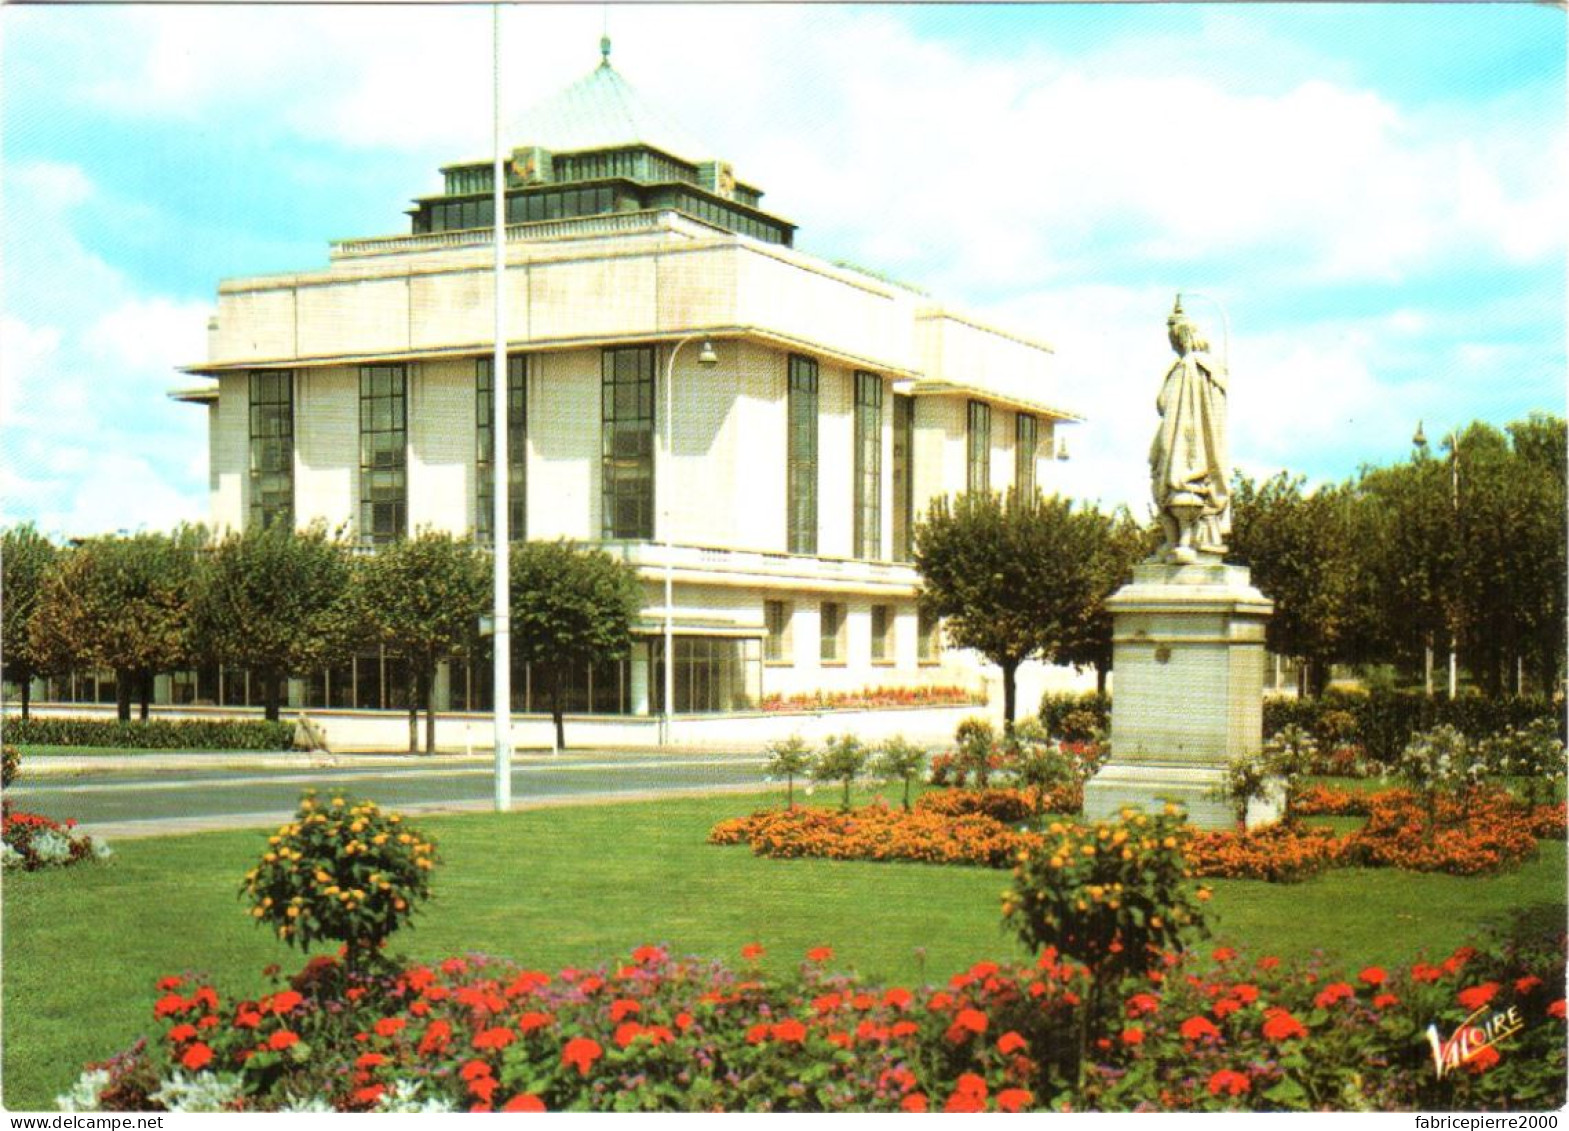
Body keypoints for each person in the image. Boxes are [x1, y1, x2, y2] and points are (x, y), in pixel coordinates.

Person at [1149, 297, 1229, 560]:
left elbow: (1167, 402)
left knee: (1177, 483)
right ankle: (1174, 540)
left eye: (1173, 338)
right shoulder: (1200, 367)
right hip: (1180, 438)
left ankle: (1184, 538)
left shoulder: (1190, 366)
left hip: (1186, 440)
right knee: (1162, 479)